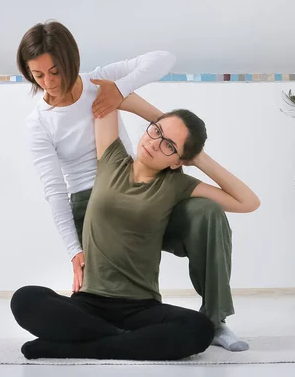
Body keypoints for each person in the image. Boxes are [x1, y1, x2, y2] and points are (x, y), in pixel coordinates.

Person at [18, 20, 256, 351]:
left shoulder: (100, 85)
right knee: (33, 300)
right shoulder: (39, 122)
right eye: (37, 75)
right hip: (93, 203)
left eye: (55, 72)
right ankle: (122, 336)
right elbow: (55, 192)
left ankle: (214, 320)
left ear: (72, 61)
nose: (49, 83)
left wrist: (122, 91)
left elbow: (163, 59)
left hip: (144, 189)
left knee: (207, 212)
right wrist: (75, 251)